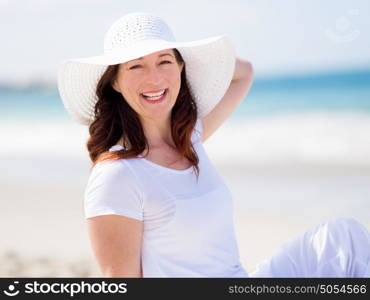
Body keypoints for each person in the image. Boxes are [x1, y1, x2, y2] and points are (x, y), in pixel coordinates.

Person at [57, 12, 370, 278]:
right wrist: (172, 64)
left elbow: (243, 74)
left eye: (164, 61)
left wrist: (199, 63)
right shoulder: (117, 176)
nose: (154, 78)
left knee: (344, 238)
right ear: (114, 81)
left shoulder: (188, 140)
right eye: (135, 66)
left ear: (182, 68)